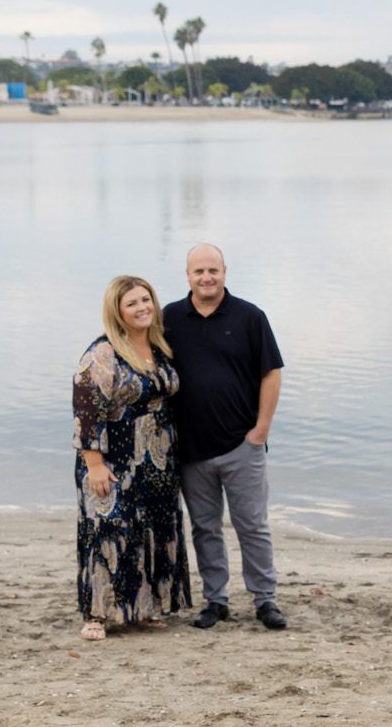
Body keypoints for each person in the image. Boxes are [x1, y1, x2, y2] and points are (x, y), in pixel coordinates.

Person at [162, 243, 287, 631]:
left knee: (252, 525)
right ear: (187, 276)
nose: (206, 277)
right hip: (191, 449)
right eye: (198, 271)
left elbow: (272, 373)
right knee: (204, 527)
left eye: (212, 270)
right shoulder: (169, 318)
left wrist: (260, 430)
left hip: (241, 445)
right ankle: (216, 600)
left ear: (225, 272)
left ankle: (265, 600)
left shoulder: (249, 316)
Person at [73, 275, 192, 641]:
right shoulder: (103, 353)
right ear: (118, 312)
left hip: (157, 460)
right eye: (132, 303)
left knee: (151, 531)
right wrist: (94, 463)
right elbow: (86, 411)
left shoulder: (159, 348)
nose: (142, 308)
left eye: (146, 300)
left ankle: (140, 610)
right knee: (108, 530)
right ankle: (97, 614)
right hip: (115, 460)